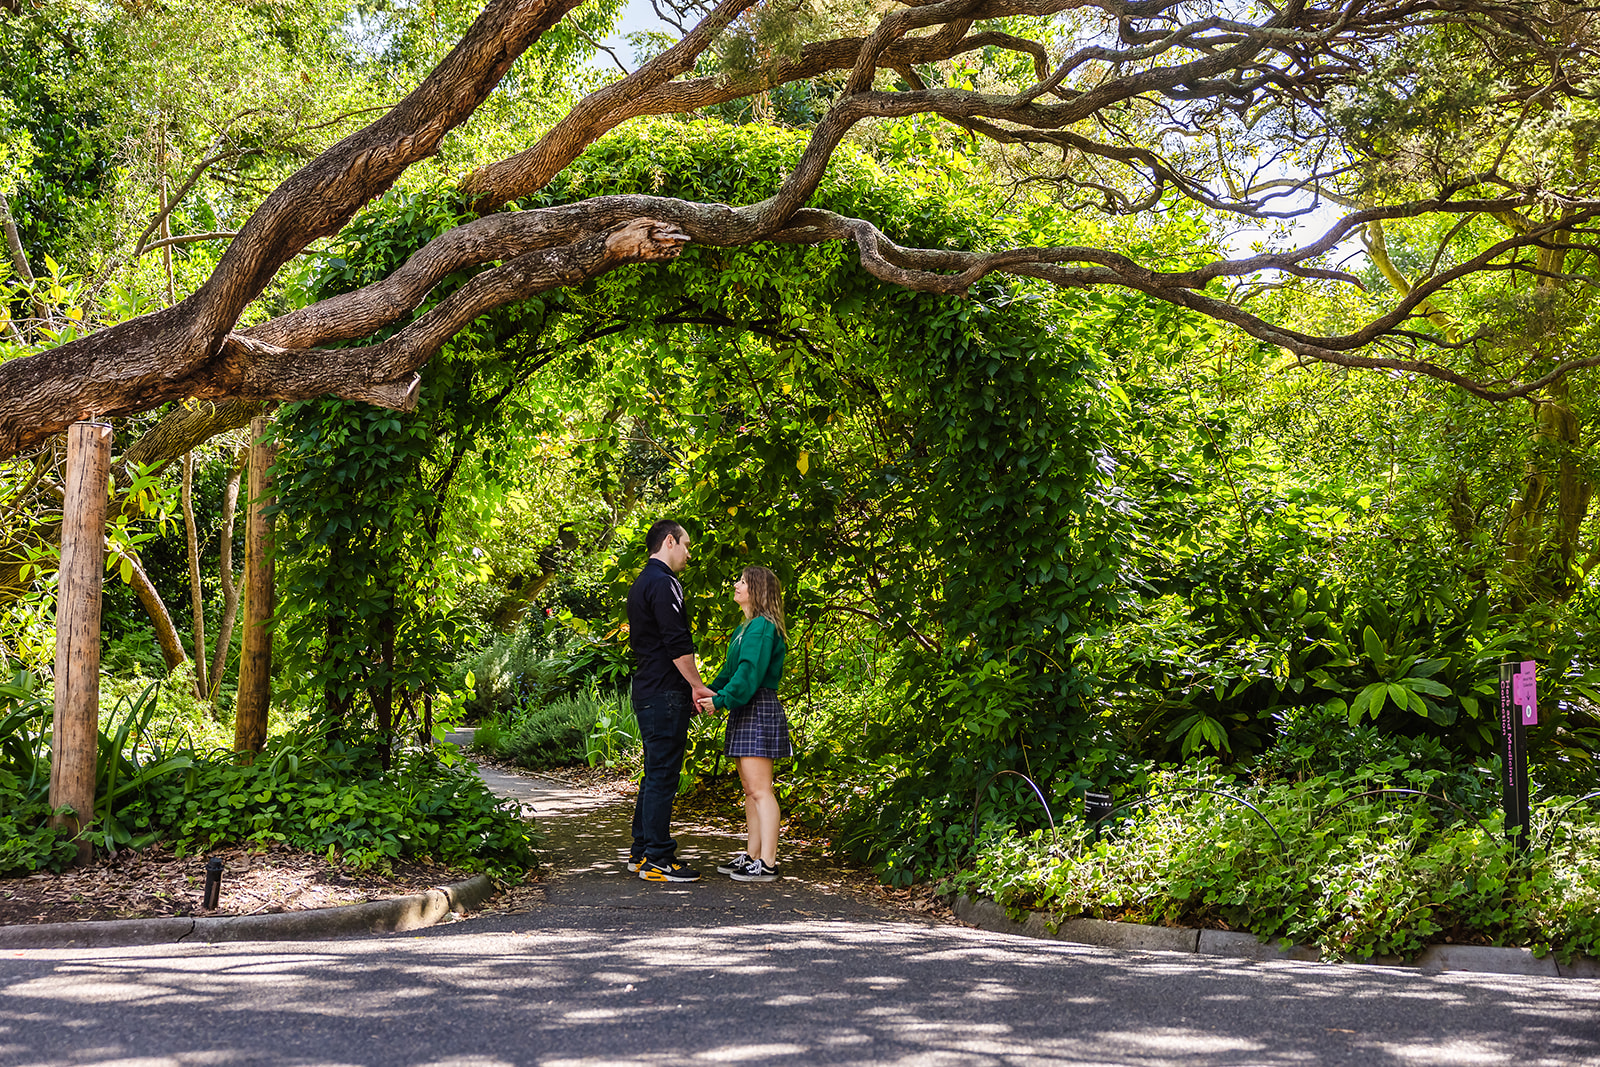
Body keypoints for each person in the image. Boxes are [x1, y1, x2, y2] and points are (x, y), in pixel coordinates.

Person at [627, 519, 714, 882]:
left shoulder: (641, 583)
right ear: (669, 542)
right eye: (686, 545)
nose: (688, 554)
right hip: (665, 691)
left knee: (654, 774)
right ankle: (658, 858)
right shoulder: (664, 583)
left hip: (647, 688)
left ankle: (641, 851)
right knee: (663, 775)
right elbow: (677, 643)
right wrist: (696, 685)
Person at [697, 565, 792, 882]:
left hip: (757, 705)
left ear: (757, 589)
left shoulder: (762, 627)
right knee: (750, 790)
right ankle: (752, 855)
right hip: (745, 707)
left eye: (742, 581)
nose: (736, 585)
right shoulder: (745, 629)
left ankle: (768, 862)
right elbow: (730, 673)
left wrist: (722, 700)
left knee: (762, 790)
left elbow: (749, 674)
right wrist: (708, 694)